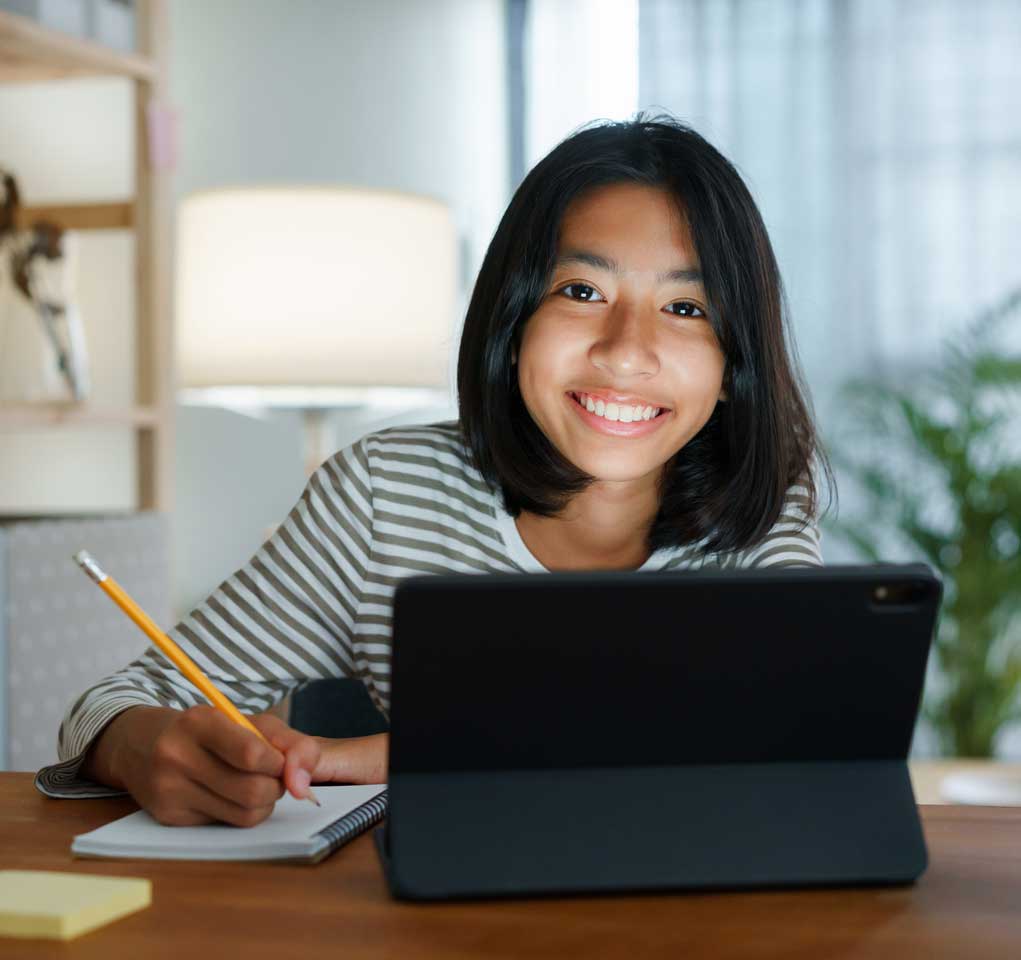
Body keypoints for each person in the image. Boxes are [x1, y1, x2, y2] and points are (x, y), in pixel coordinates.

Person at [35, 113, 834, 827]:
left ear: (736, 363)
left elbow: (798, 753)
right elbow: (103, 707)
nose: (626, 350)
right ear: (513, 321)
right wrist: (142, 748)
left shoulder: (759, 510)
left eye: (686, 308)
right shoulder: (385, 494)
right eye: (581, 290)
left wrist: (400, 755)